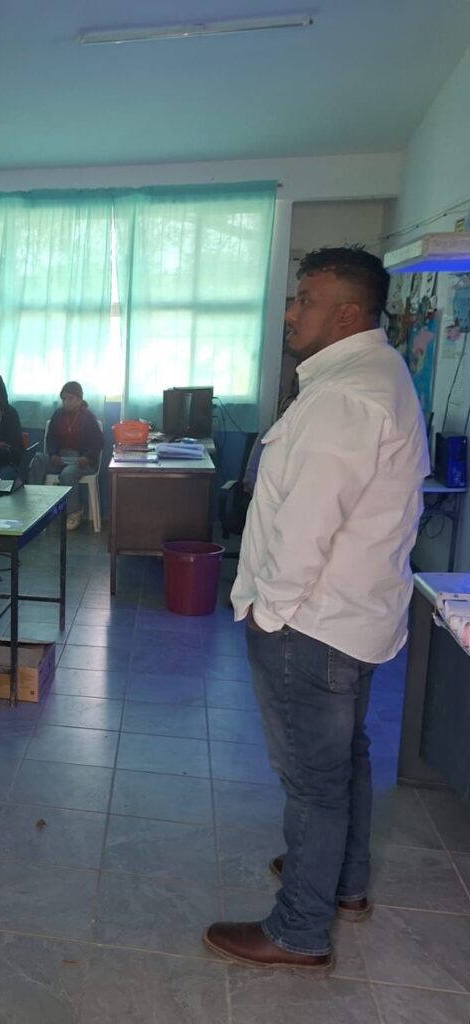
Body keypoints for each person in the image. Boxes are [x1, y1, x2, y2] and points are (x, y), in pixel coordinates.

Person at [204, 246, 429, 971]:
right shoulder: (377, 374)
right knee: (343, 759)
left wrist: (269, 614)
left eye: (306, 299)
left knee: (312, 780)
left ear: (349, 314)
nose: (291, 312)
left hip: (312, 624)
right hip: (352, 616)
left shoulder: (343, 399)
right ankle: (343, 881)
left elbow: (306, 528)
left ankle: (299, 929)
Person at [28, 381, 104, 530]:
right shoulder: (58, 415)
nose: (66, 402)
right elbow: (50, 438)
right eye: (64, 399)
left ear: (79, 400)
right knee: (37, 459)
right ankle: (33, 505)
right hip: (61, 458)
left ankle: (73, 511)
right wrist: (53, 454)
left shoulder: (88, 417)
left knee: (67, 474)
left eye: (70, 398)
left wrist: (87, 457)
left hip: (82, 460)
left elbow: (98, 441)